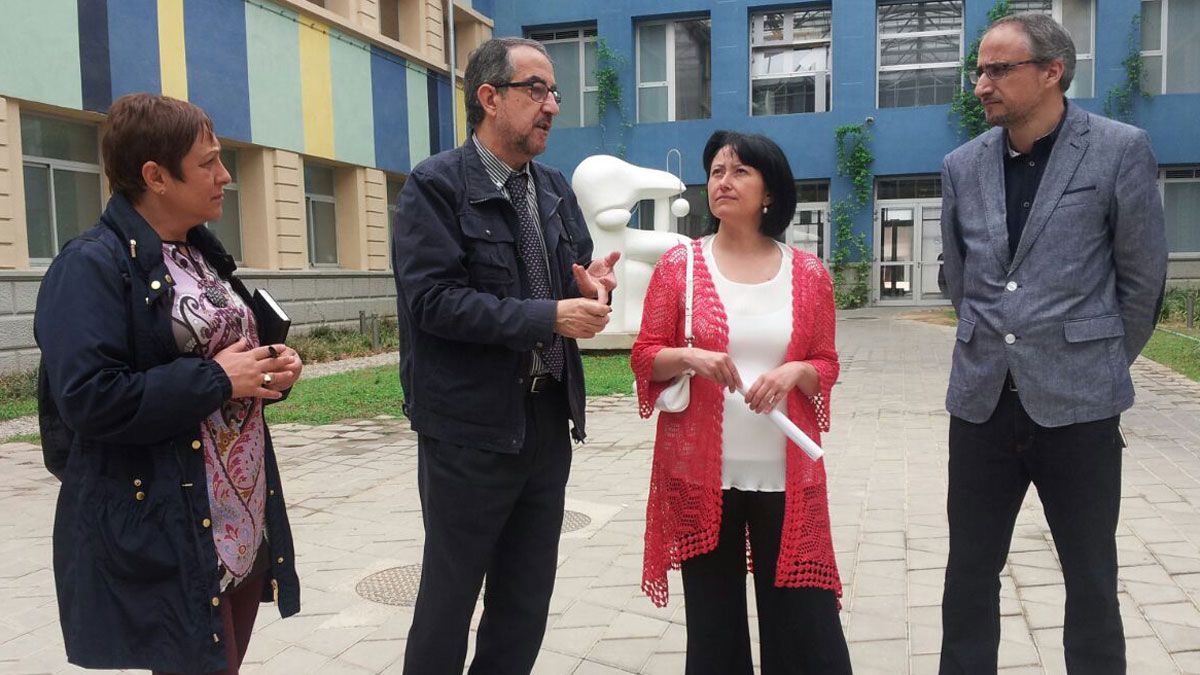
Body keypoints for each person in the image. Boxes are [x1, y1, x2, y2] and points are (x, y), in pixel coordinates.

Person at [34, 93, 304, 674]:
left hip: (241, 516)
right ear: (155, 176)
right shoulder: (90, 266)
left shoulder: (200, 252)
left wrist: (269, 372)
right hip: (174, 526)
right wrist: (216, 379)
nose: (225, 175)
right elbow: (89, 398)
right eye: (208, 163)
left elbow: (226, 368)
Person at [938, 13, 1167, 675]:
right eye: (978, 70)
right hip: (980, 403)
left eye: (998, 70)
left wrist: (1096, 360)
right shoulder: (961, 164)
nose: (981, 84)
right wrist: (1000, 348)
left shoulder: (1119, 150)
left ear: (1051, 71)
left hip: (1081, 408)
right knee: (967, 576)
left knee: (1092, 578)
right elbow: (961, 277)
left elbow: (1142, 280)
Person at [391, 37, 619, 674]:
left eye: (554, 94)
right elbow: (434, 304)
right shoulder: (433, 188)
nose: (551, 106)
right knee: (448, 601)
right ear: (490, 98)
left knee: (524, 602)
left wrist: (591, 281)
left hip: (546, 424)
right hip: (469, 433)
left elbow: (572, 269)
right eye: (537, 90)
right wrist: (548, 315)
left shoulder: (550, 188)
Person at [631, 130, 851, 675]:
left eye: (739, 172)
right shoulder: (680, 267)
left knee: (805, 624)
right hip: (701, 478)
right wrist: (690, 357)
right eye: (716, 172)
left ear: (770, 191)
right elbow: (644, 357)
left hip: (785, 474)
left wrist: (798, 370)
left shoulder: (808, 274)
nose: (723, 182)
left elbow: (826, 363)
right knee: (714, 630)